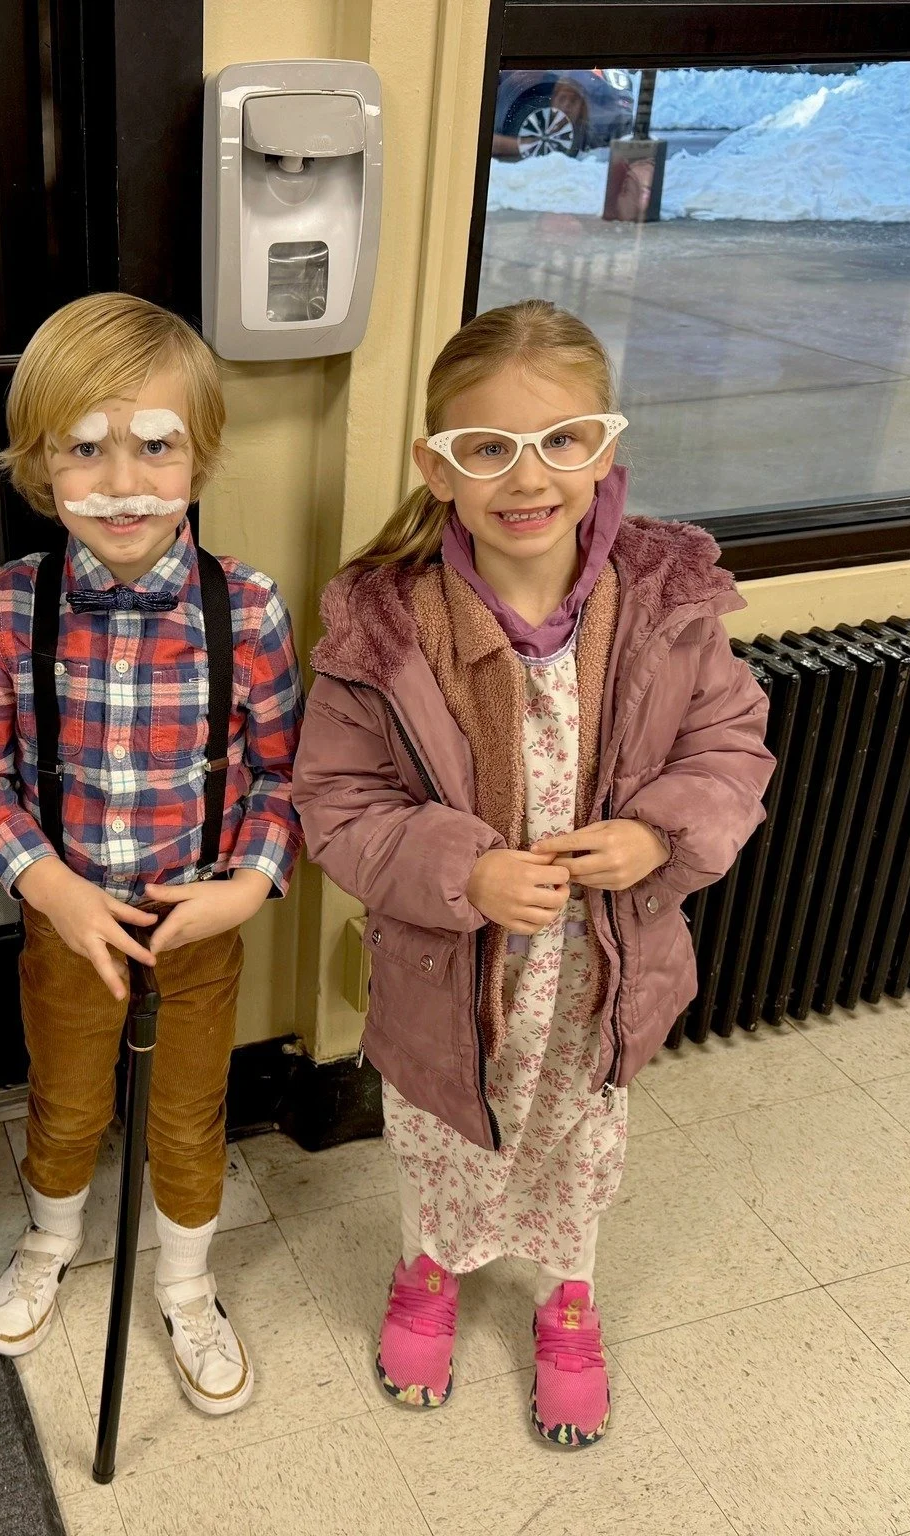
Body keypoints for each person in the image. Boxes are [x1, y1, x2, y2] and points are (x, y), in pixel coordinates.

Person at [293, 300, 774, 1447]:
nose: (529, 476)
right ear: (437, 466)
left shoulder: (667, 603)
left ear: (606, 446)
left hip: (603, 972)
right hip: (447, 976)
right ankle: (430, 1270)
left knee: (579, 1141)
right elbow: (337, 805)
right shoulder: (385, 627)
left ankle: (569, 1300)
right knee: (441, 1136)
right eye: (487, 448)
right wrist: (469, 873)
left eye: (563, 440)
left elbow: (730, 748)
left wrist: (657, 835)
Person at [0, 292, 303, 1416]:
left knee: (187, 1111)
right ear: (40, 465)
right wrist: (47, 884)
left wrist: (248, 883)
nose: (122, 478)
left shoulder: (246, 608)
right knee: (64, 1101)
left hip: (195, 924)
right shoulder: (14, 610)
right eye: (85, 447)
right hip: (69, 925)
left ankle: (190, 1283)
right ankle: (51, 1238)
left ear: (198, 458)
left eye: (155, 447)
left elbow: (283, 779)